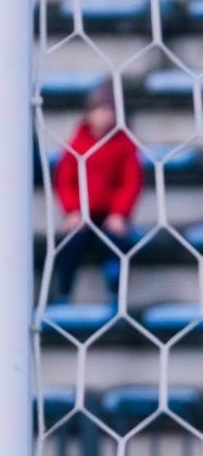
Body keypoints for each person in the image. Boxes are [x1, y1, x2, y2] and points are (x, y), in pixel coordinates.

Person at [50, 81, 141, 303]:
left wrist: (120, 213)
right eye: (98, 111)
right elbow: (64, 181)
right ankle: (63, 291)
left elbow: (131, 182)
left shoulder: (124, 144)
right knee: (70, 244)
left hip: (111, 214)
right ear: (88, 113)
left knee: (114, 242)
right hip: (82, 215)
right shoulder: (77, 143)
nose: (102, 116)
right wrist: (72, 211)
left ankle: (115, 289)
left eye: (108, 111)